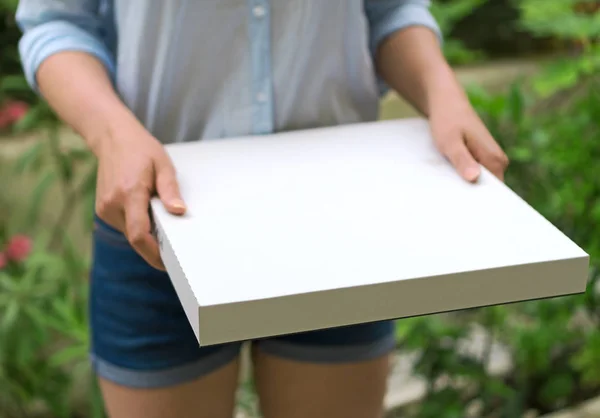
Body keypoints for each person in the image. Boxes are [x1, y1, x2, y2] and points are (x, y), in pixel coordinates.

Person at [16, 1, 509, 417]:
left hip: (339, 223)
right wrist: (111, 133)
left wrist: (443, 92)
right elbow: (57, 21)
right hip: (159, 222)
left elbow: (391, 9)